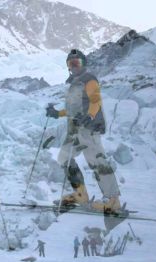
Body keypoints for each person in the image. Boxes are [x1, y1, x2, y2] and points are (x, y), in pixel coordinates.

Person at [46, 49, 122, 212]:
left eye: (77, 63)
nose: (73, 66)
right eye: (70, 63)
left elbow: (95, 101)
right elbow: (73, 109)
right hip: (74, 130)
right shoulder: (73, 82)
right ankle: (80, 195)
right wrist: (57, 113)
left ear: (83, 63)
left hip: (89, 128)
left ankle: (113, 201)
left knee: (97, 162)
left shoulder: (89, 80)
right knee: (64, 159)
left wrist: (91, 116)